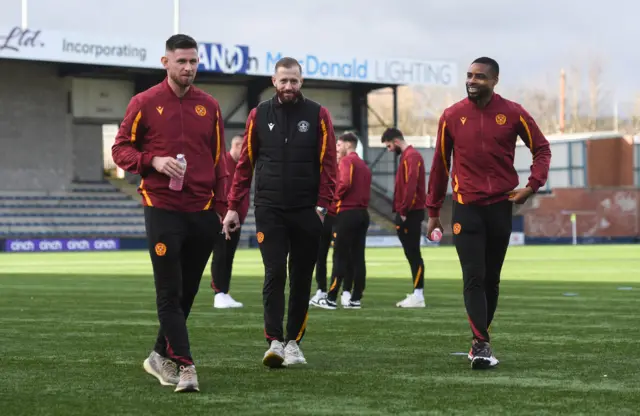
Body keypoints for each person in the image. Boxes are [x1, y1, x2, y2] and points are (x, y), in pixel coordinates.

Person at [111, 34, 229, 392]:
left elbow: (220, 159)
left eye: (193, 61)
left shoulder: (209, 106)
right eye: (182, 61)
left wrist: (225, 208)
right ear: (166, 62)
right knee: (169, 291)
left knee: (188, 291)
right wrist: (153, 161)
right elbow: (120, 150)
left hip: (203, 211)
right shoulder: (144, 103)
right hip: (162, 209)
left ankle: (158, 355)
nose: (189, 68)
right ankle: (186, 366)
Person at [425, 56, 551, 370]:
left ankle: (481, 338)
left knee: (491, 280)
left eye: (479, 76)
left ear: (494, 81)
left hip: (500, 207)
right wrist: (432, 211)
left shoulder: (513, 113)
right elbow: (440, 165)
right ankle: (480, 345)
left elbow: (542, 149)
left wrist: (532, 185)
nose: (471, 80)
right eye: (468, 75)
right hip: (465, 209)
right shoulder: (452, 116)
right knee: (474, 277)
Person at [222, 57, 337, 368]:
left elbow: (329, 165)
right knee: (274, 272)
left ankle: (293, 343)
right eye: (283, 80)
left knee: (301, 278)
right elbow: (244, 164)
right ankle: (273, 341)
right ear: (274, 81)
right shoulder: (259, 114)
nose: (289, 86)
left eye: (294, 81)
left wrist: (323, 206)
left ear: (302, 81)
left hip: (307, 210)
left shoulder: (318, 114)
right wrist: (233, 206)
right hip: (269, 208)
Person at [311, 131, 371, 309]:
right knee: (358, 257)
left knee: (339, 257)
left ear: (347, 145)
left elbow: (344, 183)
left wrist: (332, 200)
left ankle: (330, 298)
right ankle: (355, 298)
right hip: (362, 214)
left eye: (338, 145)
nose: (336, 148)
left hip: (346, 214)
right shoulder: (364, 165)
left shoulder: (347, 161)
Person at [380, 127, 427, 308]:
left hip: (410, 212)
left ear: (396, 141)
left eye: (389, 146)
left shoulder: (412, 157)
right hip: (407, 211)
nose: (389, 149)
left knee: (414, 254)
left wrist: (404, 211)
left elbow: (411, 186)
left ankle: (418, 295)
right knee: (411, 254)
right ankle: (417, 293)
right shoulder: (406, 157)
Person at [309, 151, 353, 307]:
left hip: (331, 214)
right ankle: (330, 290)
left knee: (333, 255)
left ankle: (332, 291)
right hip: (330, 214)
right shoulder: (330, 168)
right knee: (328, 255)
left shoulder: (338, 167)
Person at [210, 135, 247, 309]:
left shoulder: (242, 166)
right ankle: (218, 293)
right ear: (237, 145)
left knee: (228, 257)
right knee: (220, 255)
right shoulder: (223, 163)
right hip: (222, 218)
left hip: (236, 219)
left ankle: (225, 291)